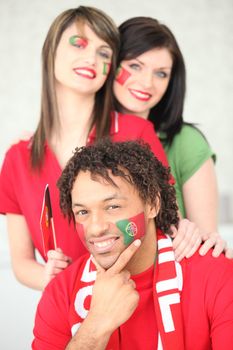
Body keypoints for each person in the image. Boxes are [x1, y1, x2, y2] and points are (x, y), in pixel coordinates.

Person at [0, 7, 176, 291]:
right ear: (51, 52)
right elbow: (21, 262)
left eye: (104, 53)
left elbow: (168, 225)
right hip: (69, 315)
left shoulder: (136, 133)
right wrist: (49, 279)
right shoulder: (17, 157)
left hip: (137, 303)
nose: (92, 58)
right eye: (79, 44)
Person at [32, 139, 233, 350]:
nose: (96, 228)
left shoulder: (217, 276)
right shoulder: (60, 293)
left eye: (112, 206)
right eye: (83, 212)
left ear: (153, 205)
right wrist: (95, 326)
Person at [113, 17, 219, 237]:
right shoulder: (85, 134)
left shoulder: (186, 142)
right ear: (113, 64)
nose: (147, 83)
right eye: (135, 66)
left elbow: (207, 241)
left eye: (161, 73)